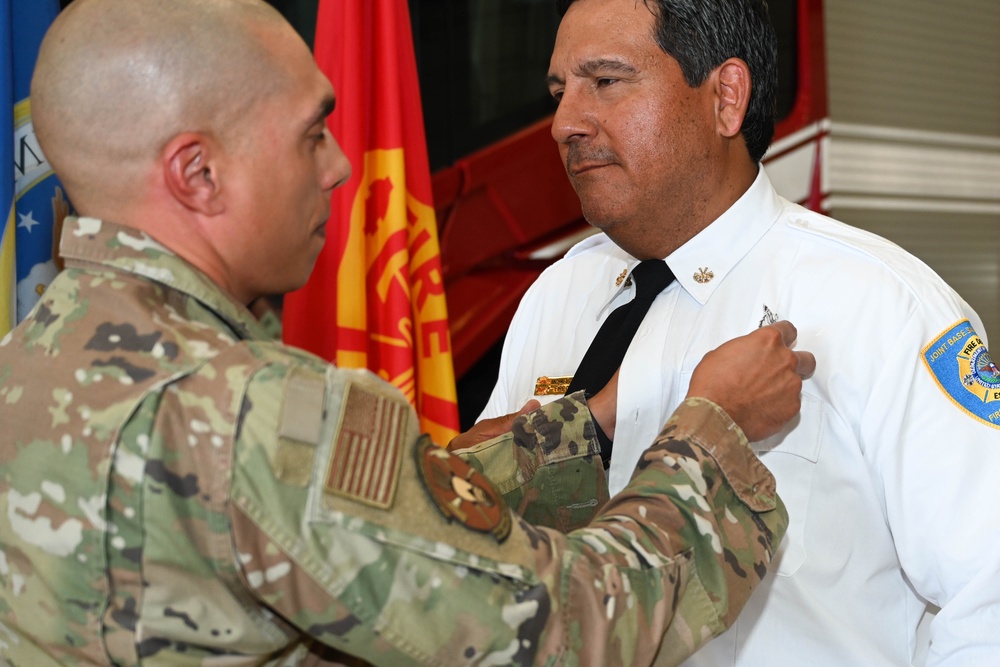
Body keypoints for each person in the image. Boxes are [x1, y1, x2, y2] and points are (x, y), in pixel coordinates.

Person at [0, 1, 815, 665]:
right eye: (311, 134)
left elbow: (370, 511)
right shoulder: (251, 412)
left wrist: (588, 423)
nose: (341, 167)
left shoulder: (27, 364)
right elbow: (569, 627)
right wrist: (714, 435)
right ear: (198, 172)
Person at [479, 0, 1000, 665]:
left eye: (605, 81)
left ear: (726, 97)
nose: (564, 124)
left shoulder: (881, 305)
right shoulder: (556, 297)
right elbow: (482, 530)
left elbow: (986, 594)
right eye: (560, 91)